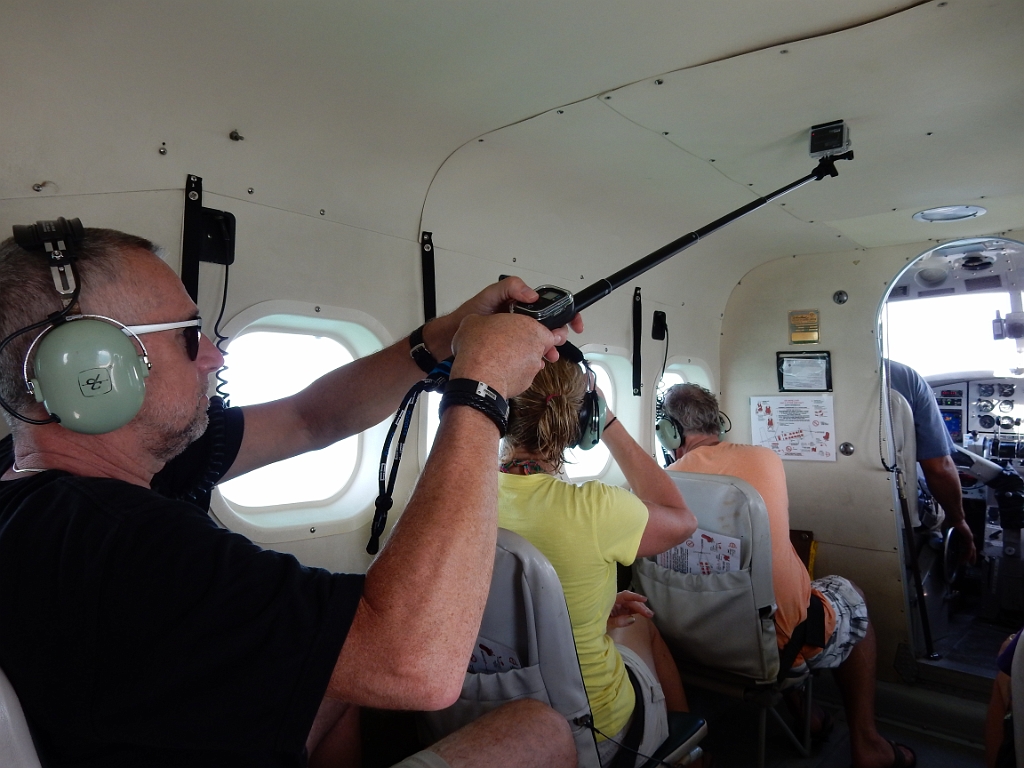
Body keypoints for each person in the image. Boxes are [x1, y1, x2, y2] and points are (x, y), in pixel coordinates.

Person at [0, 226, 581, 768]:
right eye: (186, 337)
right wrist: (480, 393)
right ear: (89, 373)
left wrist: (441, 339)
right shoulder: (133, 552)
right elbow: (416, 666)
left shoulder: (48, 492)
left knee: (330, 669)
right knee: (540, 729)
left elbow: (311, 417)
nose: (214, 356)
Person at [662, 383, 917, 768]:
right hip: (770, 646)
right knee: (850, 596)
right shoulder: (764, 460)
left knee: (774, 610)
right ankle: (867, 743)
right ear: (719, 423)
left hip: (687, 642)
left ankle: (808, 718)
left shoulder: (660, 482)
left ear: (670, 433)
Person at [496, 359, 698, 768]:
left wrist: (595, 609)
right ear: (583, 421)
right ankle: (688, 752)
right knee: (642, 624)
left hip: (488, 719)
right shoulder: (596, 507)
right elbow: (682, 520)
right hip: (592, 729)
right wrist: (609, 423)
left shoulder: (456, 499)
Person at [887, 359, 977, 564]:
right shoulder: (904, 377)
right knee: (938, 518)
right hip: (898, 516)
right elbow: (938, 467)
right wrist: (958, 519)